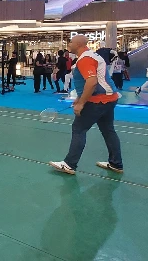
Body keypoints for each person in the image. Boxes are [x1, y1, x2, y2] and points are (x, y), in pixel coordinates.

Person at [49, 34, 123, 175]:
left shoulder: (85, 59)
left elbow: (92, 82)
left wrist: (81, 103)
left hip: (98, 101)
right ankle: (116, 163)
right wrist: (79, 98)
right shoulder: (92, 56)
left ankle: (69, 164)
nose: (69, 44)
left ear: (78, 44)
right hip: (110, 99)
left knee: (78, 129)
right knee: (108, 130)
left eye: (71, 42)